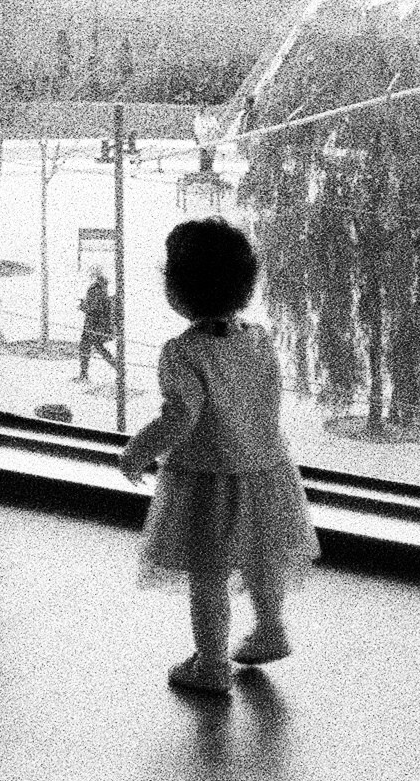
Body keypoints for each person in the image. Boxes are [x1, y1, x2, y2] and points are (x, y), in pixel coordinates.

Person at [118, 218, 317, 697]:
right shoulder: (260, 339)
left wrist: (138, 451)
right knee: (262, 559)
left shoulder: (183, 353)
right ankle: (270, 630)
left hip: (209, 480)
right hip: (267, 471)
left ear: (178, 291)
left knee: (207, 575)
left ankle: (210, 664)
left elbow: (180, 418)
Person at [75, 269, 121, 385]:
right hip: (97, 326)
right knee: (98, 347)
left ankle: (84, 374)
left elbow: (93, 308)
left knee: (87, 347)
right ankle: (118, 368)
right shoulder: (102, 291)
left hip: (93, 326)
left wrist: (83, 306)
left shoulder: (95, 290)